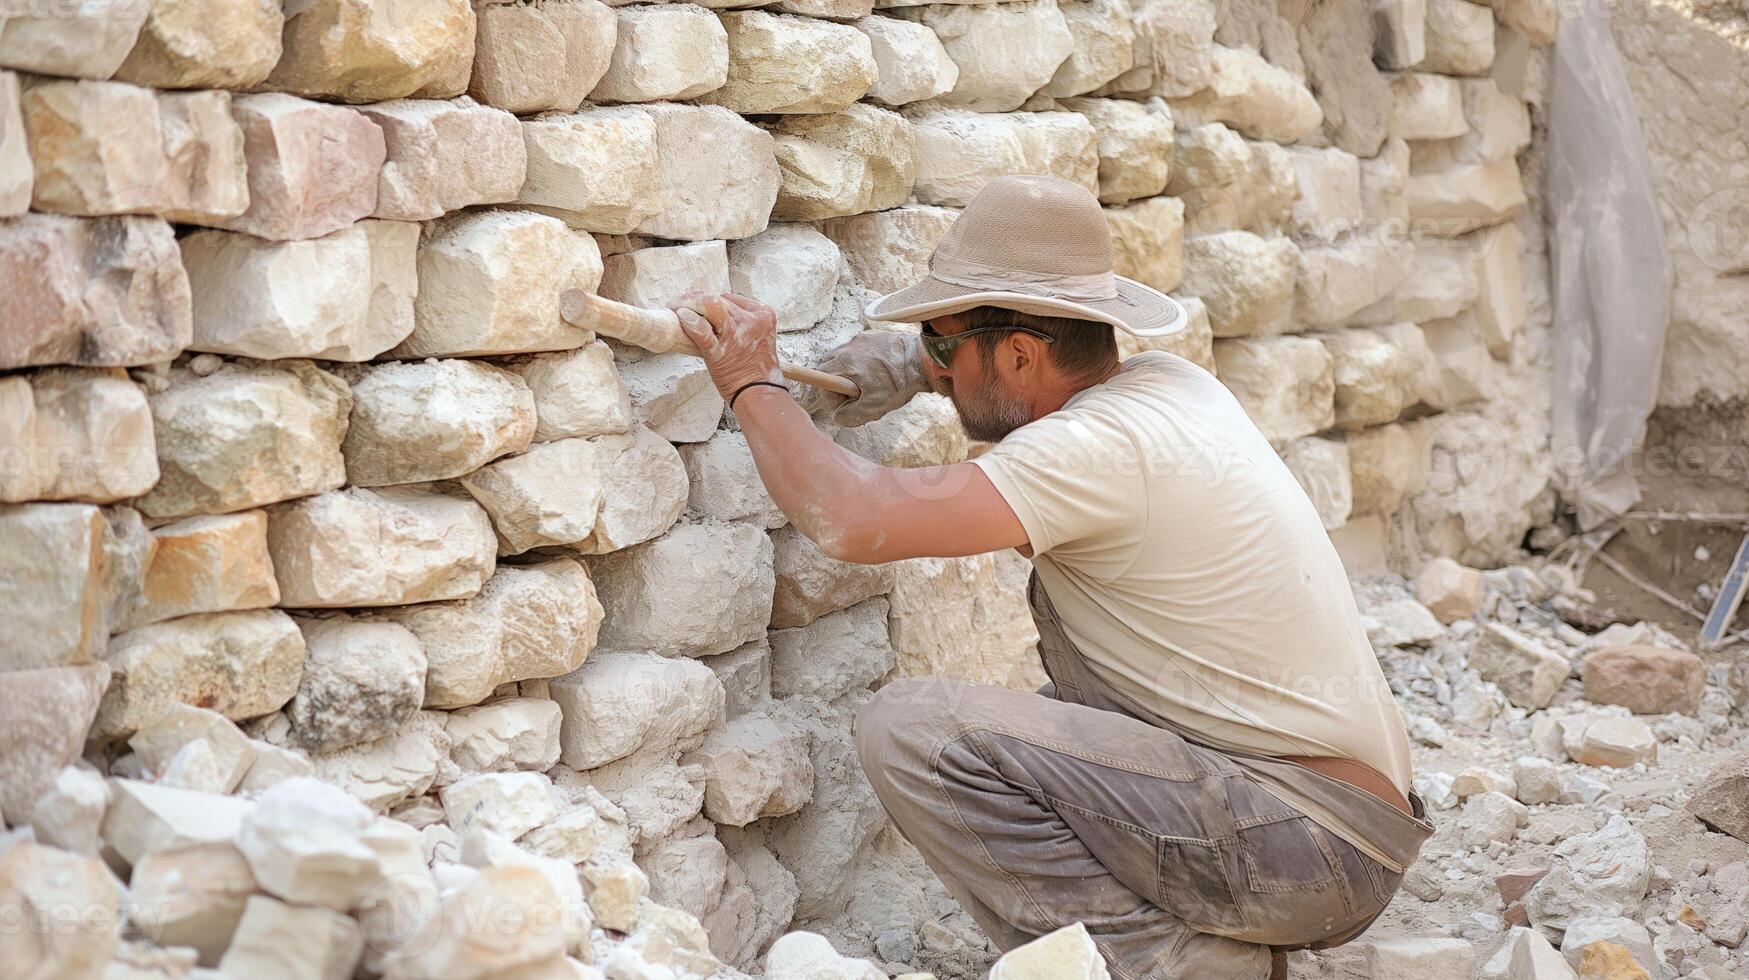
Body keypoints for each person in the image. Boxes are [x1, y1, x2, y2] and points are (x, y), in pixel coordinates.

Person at [669, 175, 1432, 980]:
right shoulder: (1173, 388)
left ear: (1021, 354)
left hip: (1301, 846)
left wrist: (751, 380)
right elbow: (1000, 375)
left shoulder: (1087, 451)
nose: (936, 364)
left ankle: (1176, 968)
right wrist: (916, 362)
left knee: (919, 731)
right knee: (1040, 724)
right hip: (1333, 835)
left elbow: (853, 519)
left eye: (942, 343)